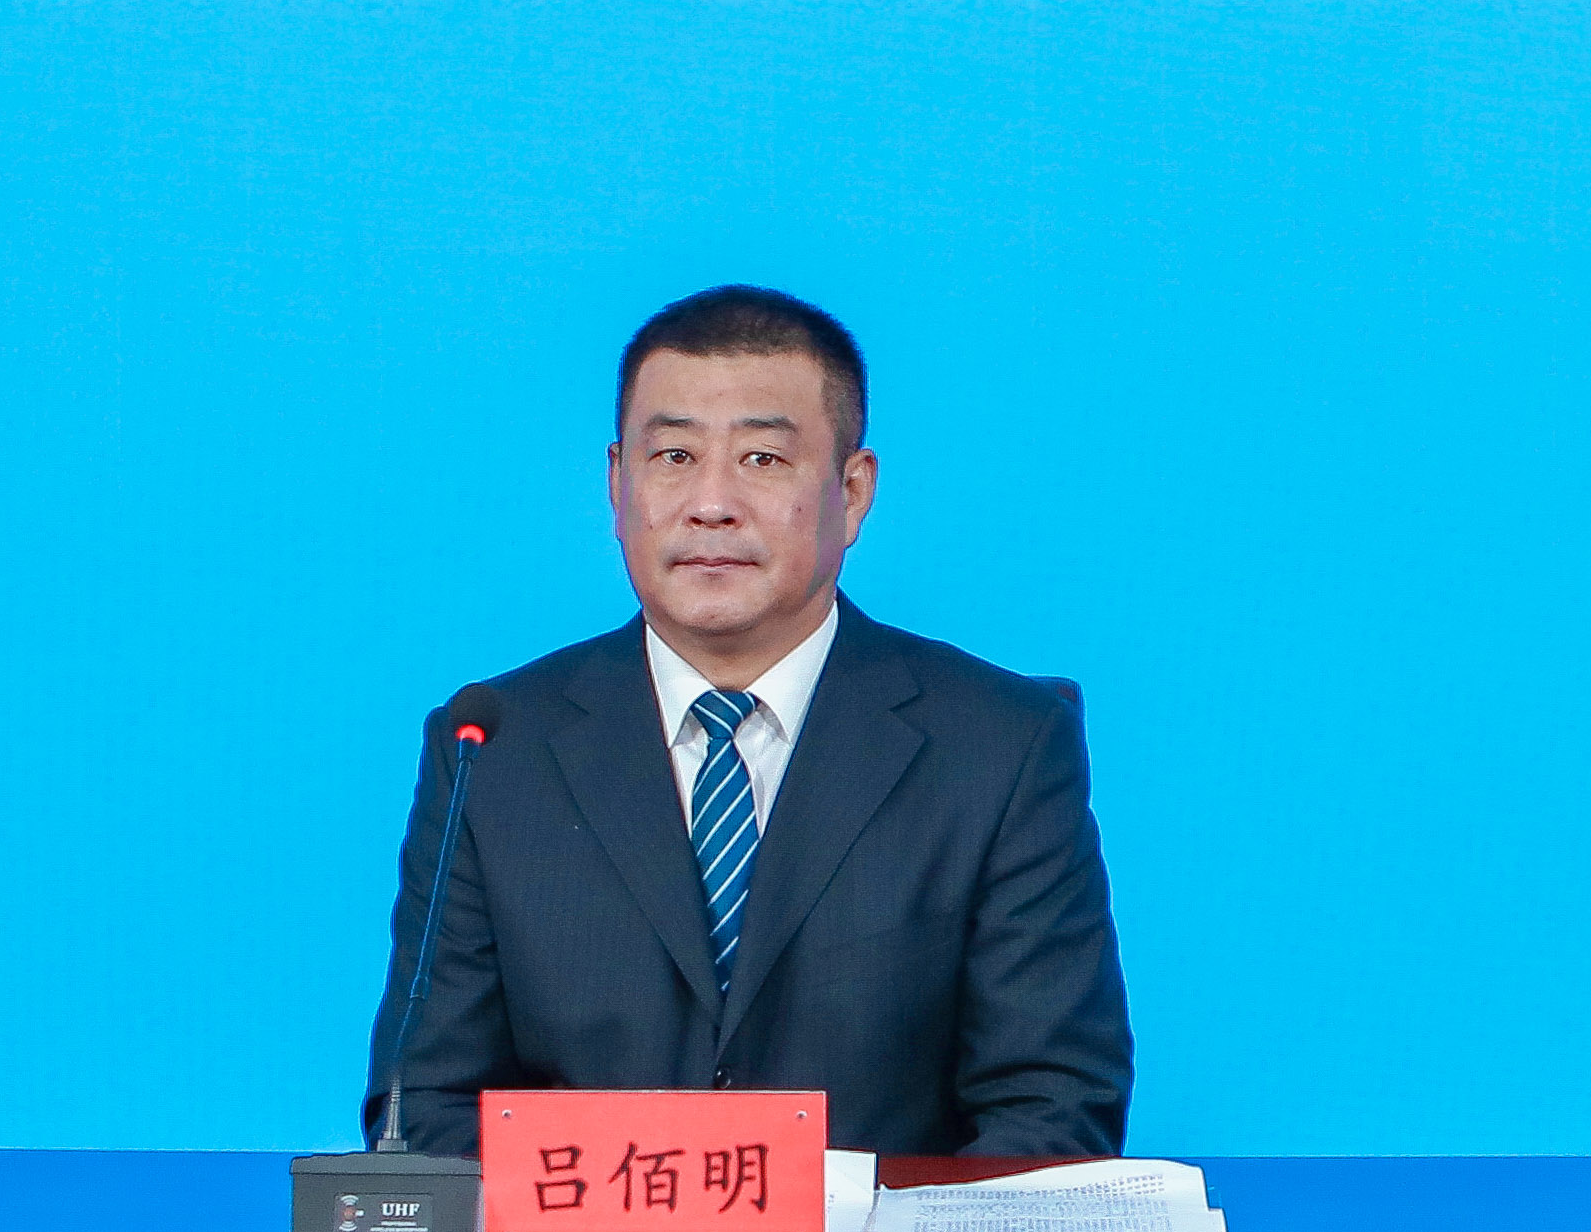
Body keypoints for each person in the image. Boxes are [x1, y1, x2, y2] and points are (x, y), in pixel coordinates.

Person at [375, 286, 1130, 1157]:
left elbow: (1049, 1111)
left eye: (762, 459)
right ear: (617, 484)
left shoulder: (999, 746)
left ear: (852, 491)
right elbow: (426, 1109)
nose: (711, 503)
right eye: (673, 456)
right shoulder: (493, 747)